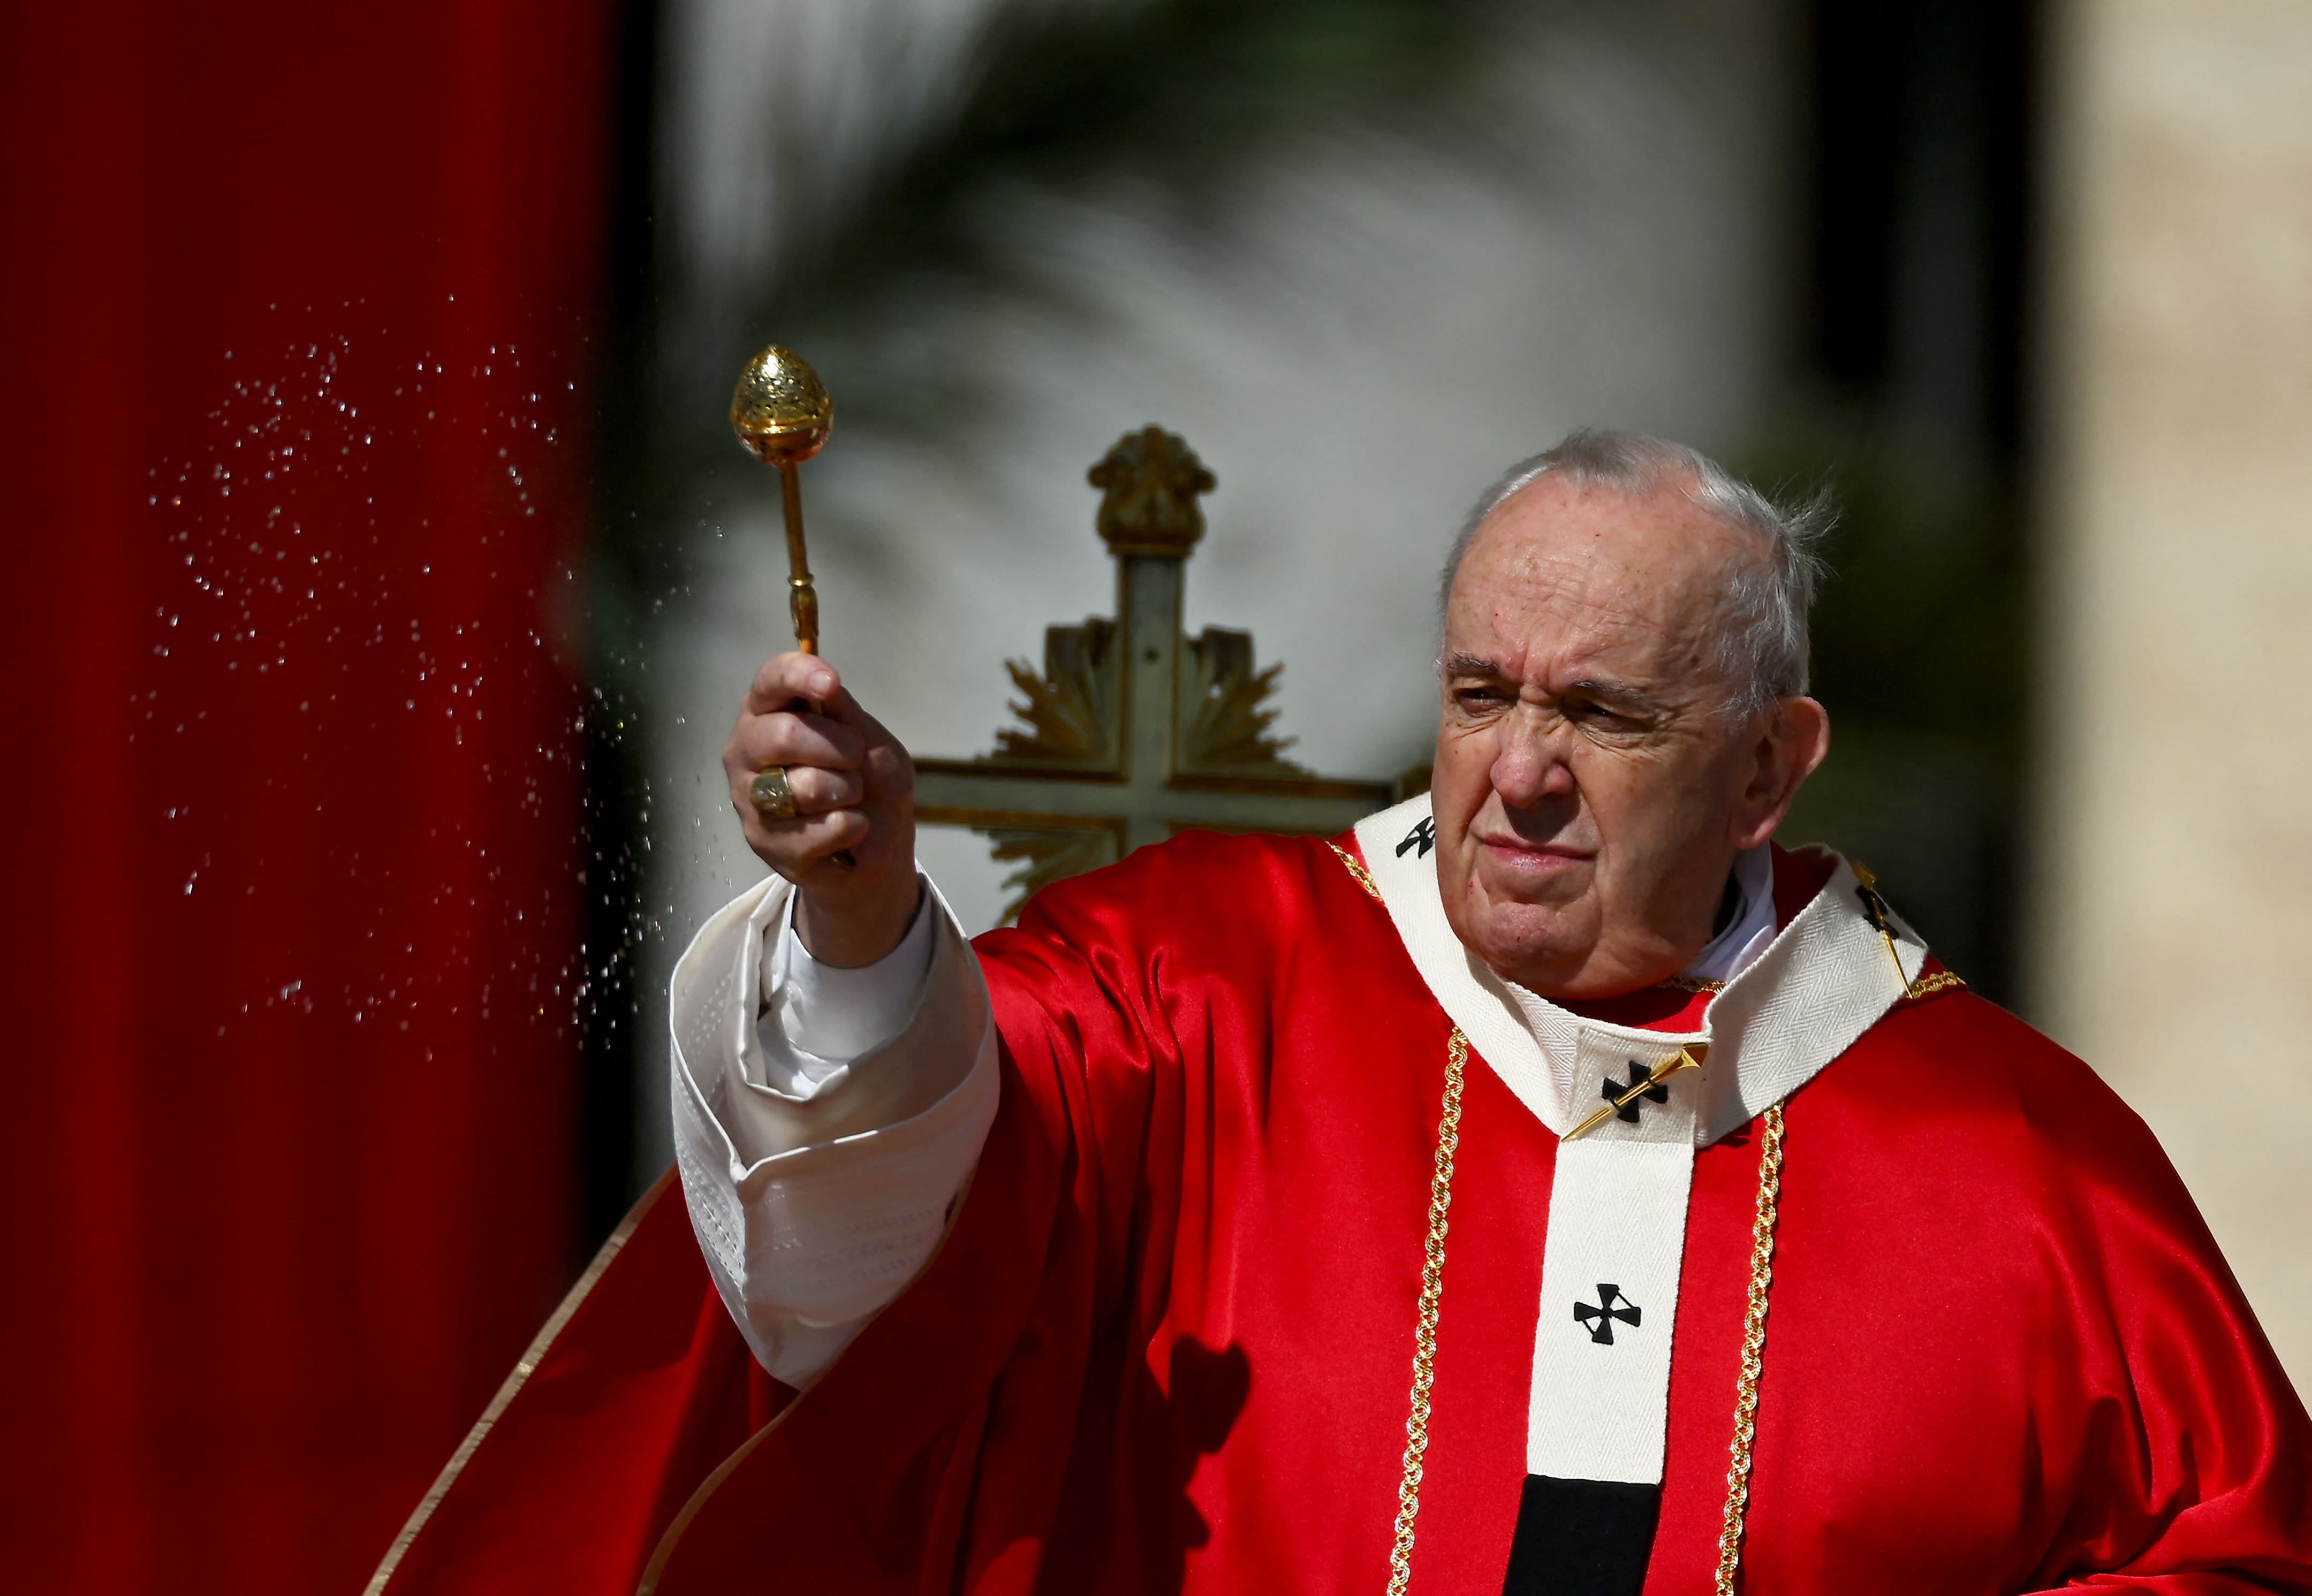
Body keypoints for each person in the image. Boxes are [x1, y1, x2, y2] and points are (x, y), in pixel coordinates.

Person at [369, 431, 2312, 1596]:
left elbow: (2244, 1553)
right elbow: (922, 1187)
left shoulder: (2011, 1163)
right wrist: (872, 915)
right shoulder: (1207, 997)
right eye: (1484, 696)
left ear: (1768, 770)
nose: (1520, 776)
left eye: (1606, 716)